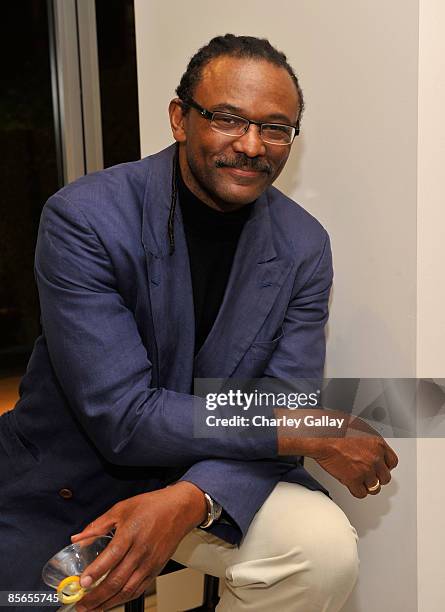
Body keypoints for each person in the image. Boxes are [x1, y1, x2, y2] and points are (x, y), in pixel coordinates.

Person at [0, 34, 398, 611]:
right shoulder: (84, 218)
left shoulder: (304, 245)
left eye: (276, 127)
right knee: (34, 598)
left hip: (216, 474)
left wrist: (193, 497)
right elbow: (125, 415)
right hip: (75, 476)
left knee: (318, 551)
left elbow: (285, 396)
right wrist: (303, 431)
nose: (252, 145)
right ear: (180, 118)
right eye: (228, 119)